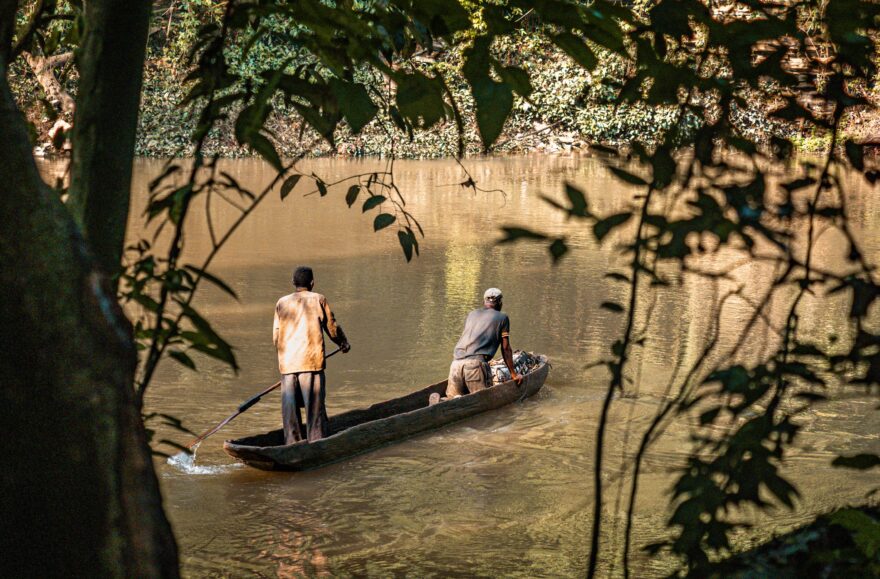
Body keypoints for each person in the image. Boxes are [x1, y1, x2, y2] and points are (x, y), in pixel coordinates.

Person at [273, 266, 350, 444]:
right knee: (315, 410)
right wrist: (343, 343)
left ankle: (292, 444)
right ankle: (317, 444)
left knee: (289, 412)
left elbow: (276, 337)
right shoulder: (318, 299)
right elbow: (332, 328)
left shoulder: (281, 303)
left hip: (288, 364)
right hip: (311, 362)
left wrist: (287, 357)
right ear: (312, 283)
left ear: (293, 282)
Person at [446, 288, 522, 398]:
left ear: (484, 301)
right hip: (474, 366)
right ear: (500, 302)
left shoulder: (471, 314)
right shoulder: (503, 318)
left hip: (456, 364)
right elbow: (505, 348)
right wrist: (514, 374)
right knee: (483, 400)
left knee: (452, 399)